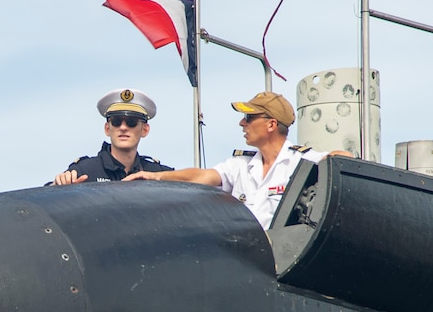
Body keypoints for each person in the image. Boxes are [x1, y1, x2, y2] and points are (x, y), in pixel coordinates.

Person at [124, 91, 340, 229]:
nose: (241, 124)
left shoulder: (302, 161)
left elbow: (342, 162)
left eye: (249, 118)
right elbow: (202, 176)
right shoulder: (240, 166)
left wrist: (338, 158)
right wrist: (156, 176)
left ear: (271, 125)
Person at [51, 88, 173, 185]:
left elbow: (192, 179)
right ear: (107, 129)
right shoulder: (86, 171)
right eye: (116, 121)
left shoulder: (154, 172)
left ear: (145, 130)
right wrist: (58, 184)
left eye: (131, 122)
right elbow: (47, 200)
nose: (123, 127)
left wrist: (157, 177)